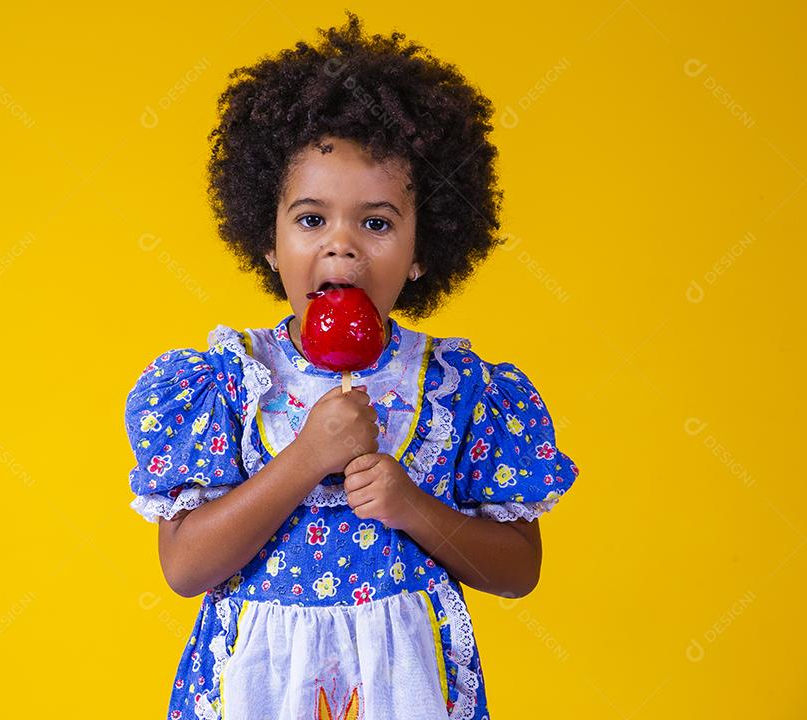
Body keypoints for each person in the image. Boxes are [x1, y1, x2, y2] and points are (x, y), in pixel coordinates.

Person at [124, 11, 581, 719]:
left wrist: (414, 508)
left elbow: (519, 571)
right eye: (311, 220)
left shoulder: (461, 391)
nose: (343, 247)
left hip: (409, 690)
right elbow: (185, 567)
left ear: (424, 249)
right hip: (258, 690)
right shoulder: (228, 383)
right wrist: (305, 457)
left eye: (377, 222)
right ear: (267, 241)